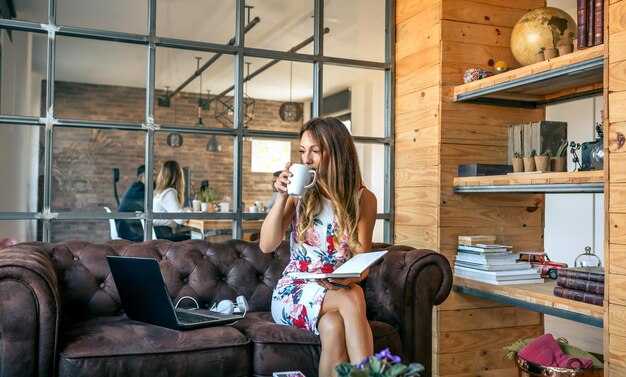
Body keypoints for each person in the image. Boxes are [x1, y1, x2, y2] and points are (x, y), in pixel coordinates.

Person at [259, 117, 377, 377]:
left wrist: (342, 279)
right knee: (353, 295)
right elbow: (267, 245)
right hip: (294, 290)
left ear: (335, 151)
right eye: (303, 151)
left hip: (335, 287)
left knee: (334, 326)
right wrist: (281, 197)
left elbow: (362, 264)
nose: (306, 159)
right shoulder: (297, 194)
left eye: (314, 150)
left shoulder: (363, 198)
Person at [153, 160, 192, 241]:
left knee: (193, 234)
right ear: (179, 176)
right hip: (164, 237)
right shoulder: (169, 192)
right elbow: (180, 220)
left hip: (159, 235)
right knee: (199, 237)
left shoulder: (160, 192)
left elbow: (174, 213)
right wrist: (189, 211)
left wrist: (183, 211)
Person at [116, 165, 146, 242]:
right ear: (143, 176)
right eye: (153, 175)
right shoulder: (139, 190)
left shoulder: (135, 187)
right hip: (131, 231)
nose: (156, 178)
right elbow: (150, 208)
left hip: (126, 228)